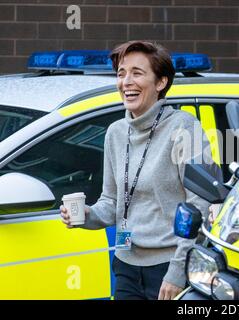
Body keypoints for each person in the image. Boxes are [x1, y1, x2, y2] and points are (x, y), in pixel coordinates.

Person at [60, 40, 218, 300]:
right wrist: (86, 216)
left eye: (137, 73)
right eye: (121, 74)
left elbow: (199, 207)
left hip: (169, 267)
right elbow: (112, 202)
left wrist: (177, 272)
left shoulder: (183, 128)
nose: (126, 82)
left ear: (160, 83)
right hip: (126, 265)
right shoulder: (115, 133)